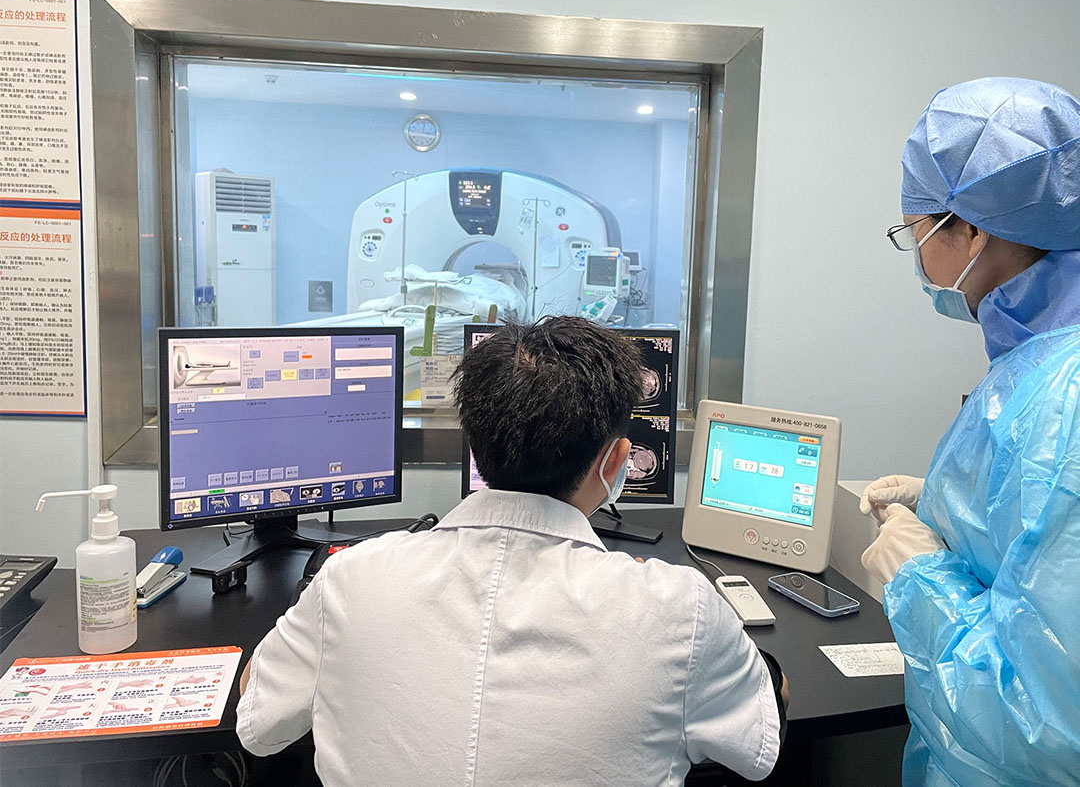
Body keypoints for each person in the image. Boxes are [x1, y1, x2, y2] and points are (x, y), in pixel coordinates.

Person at [236, 316, 786, 786]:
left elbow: (258, 721)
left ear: (474, 439)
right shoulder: (678, 608)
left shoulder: (351, 580)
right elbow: (759, 739)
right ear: (616, 460)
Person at [861, 77, 1080, 786]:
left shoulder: (1065, 394)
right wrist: (951, 505)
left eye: (914, 233)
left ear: (970, 231)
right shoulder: (1035, 362)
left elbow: (1049, 724)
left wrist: (920, 576)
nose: (917, 257)